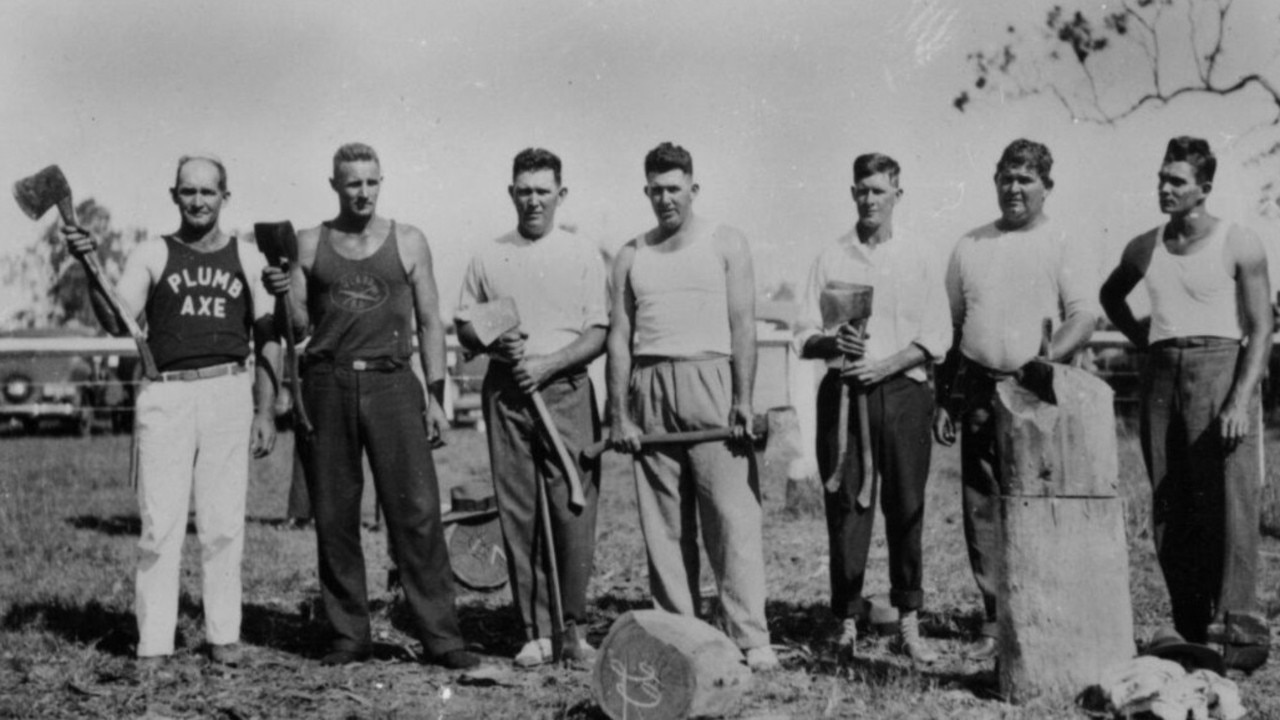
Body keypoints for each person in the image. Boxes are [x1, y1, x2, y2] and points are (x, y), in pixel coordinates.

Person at [262, 142, 478, 669]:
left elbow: (431, 322)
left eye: (371, 182)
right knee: (334, 516)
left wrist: (434, 395)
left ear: (382, 182)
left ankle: (442, 637)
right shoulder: (310, 244)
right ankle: (348, 636)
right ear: (334, 185)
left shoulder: (408, 240)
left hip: (392, 382)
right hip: (328, 383)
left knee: (418, 513)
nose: (363, 192)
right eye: (352, 182)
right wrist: (279, 287)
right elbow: (295, 328)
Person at [62, 156, 279, 667]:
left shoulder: (248, 257)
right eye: (188, 192)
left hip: (228, 389)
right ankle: (154, 641)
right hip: (168, 393)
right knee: (160, 526)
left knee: (224, 523)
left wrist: (266, 410)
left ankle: (223, 634)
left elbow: (269, 337)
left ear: (226, 196)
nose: (198, 201)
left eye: (208, 192)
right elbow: (119, 323)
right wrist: (88, 269)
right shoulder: (153, 252)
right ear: (174, 195)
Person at [1100, 137, 1271, 671]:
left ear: (1204, 188)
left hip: (1222, 370)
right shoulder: (1143, 246)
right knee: (1171, 503)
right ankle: (1191, 627)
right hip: (1161, 375)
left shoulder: (1238, 242)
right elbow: (1110, 296)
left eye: (1177, 180)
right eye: (1162, 177)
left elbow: (1263, 327)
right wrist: (1138, 336)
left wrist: (1240, 400)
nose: (1165, 188)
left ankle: (1242, 635)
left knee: (1230, 503)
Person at [607, 142, 778, 671]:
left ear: (693, 189)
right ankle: (681, 635)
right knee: (664, 525)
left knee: (731, 517)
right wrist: (620, 413)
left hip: (713, 379)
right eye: (655, 190)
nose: (665, 200)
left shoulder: (725, 242)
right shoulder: (631, 254)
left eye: (674, 189)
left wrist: (743, 400)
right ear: (646, 191)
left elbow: (743, 325)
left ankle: (750, 637)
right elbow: (619, 336)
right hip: (651, 383)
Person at [933, 139, 1099, 661]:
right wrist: (947, 400)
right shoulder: (970, 245)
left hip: (1040, 388)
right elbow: (952, 326)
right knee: (983, 503)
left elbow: (1084, 315)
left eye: (1026, 179)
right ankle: (993, 617)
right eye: (1006, 177)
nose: (1014, 188)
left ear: (1047, 187)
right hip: (981, 385)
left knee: (1043, 499)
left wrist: (1045, 364)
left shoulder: (1063, 240)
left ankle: (1047, 613)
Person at [794, 153, 951, 664]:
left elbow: (937, 336)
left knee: (905, 506)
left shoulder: (921, 255)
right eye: (861, 190)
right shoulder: (831, 256)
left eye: (879, 191)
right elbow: (802, 334)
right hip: (843, 395)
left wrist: (884, 366)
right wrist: (832, 342)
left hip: (902, 392)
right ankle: (846, 620)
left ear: (897, 196)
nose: (869, 200)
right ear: (852, 193)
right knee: (846, 508)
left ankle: (908, 618)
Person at [455, 148, 607, 667]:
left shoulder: (583, 253)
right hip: (506, 389)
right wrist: (497, 344)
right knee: (519, 507)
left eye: (544, 190)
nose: (534, 200)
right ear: (511, 193)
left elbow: (599, 332)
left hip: (564, 386)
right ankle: (535, 631)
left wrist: (547, 364)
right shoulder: (488, 254)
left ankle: (574, 630)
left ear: (560, 195)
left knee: (572, 505)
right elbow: (465, 326)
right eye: (524, 190)